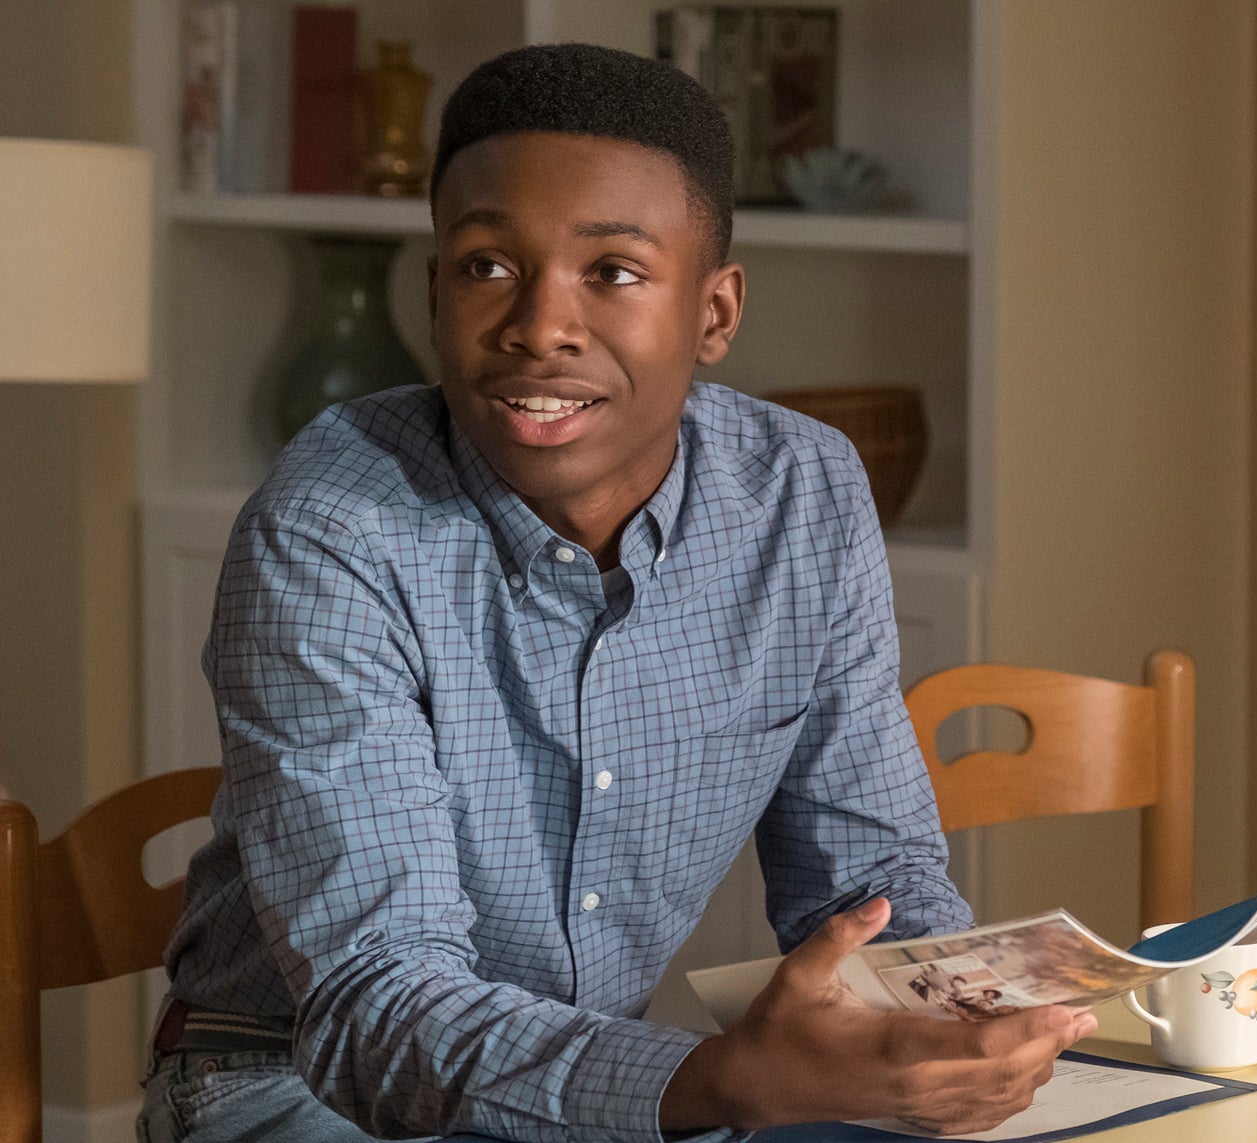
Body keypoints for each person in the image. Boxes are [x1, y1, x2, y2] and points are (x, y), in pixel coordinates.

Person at [137, 43, 1095, 1143]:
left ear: (715, 313)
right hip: (290, 1084)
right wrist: (730, 1084)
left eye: (615, 272)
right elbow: (379, 1006)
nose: (540, 325)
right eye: (487, 264)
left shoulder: (804, 492)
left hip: (598, 1088)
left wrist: (956, 1034)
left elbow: (869, 886)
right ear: (434, 286)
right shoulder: (330, 528)